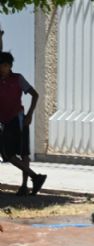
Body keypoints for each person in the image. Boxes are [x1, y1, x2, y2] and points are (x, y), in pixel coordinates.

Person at [0, 51, 46, 195]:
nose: (2, 68)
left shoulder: (18, 79)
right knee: (8, 155)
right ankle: (35, 177)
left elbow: (35, 94)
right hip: (5, 121)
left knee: (23, 153)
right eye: (1, 65)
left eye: (4, 65)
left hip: (18, 119)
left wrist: (30, 114)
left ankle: (25, 185)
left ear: (9, 66)